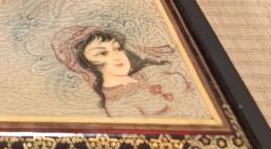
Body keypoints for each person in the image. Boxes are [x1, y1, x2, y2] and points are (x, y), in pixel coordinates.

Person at [52, 24, 197, 118]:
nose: (117, 56)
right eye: (103, 53)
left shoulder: (153, 71)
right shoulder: (118, 105)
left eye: (117, 48)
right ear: (85, 64)